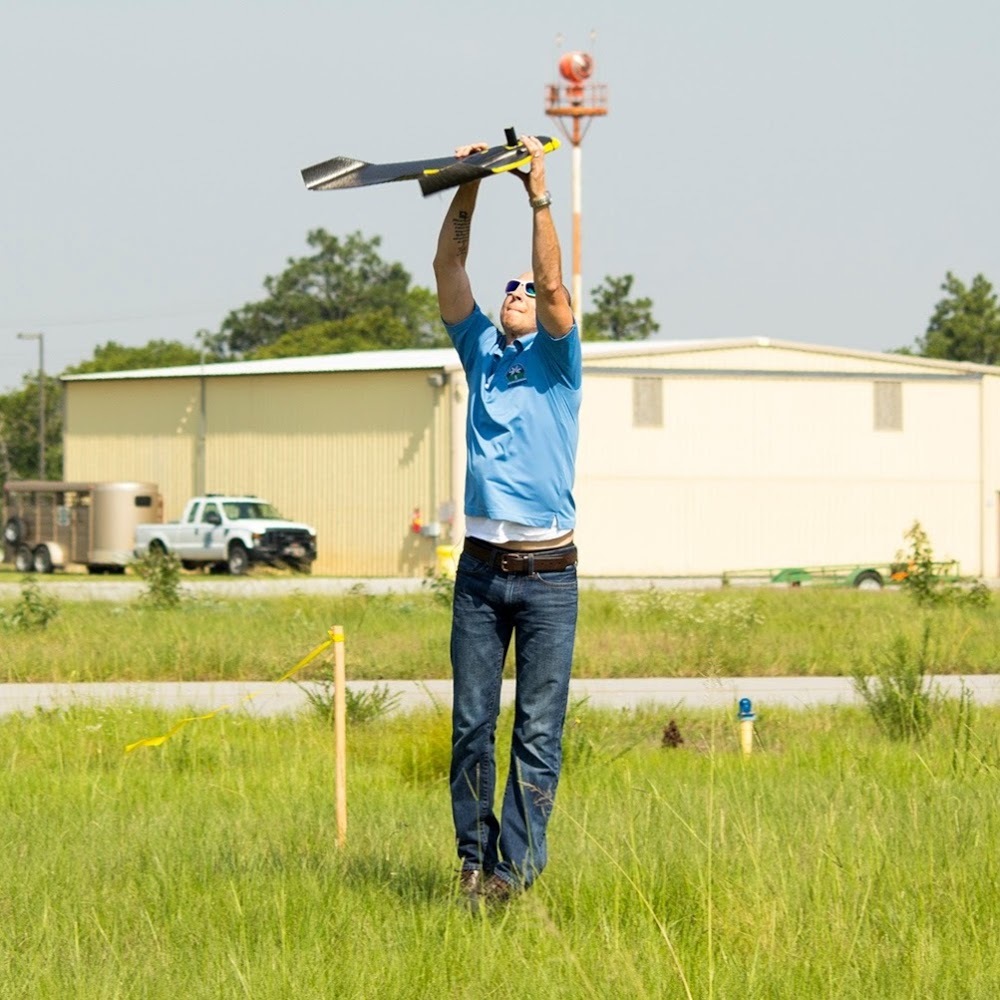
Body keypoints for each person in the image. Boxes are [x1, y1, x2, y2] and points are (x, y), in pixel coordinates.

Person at [432, 134, 582, 906]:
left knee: (537, 733)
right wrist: (468, 183)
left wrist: (536, 188)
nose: (518, 288)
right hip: (483, 573)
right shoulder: (481, 348)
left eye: (526, 288)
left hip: (551, 577)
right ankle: (472, 860)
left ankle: (512, 875)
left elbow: (556, 282)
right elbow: (447, 270)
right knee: (469, 724)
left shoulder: (560, 359)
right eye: (510, 284)